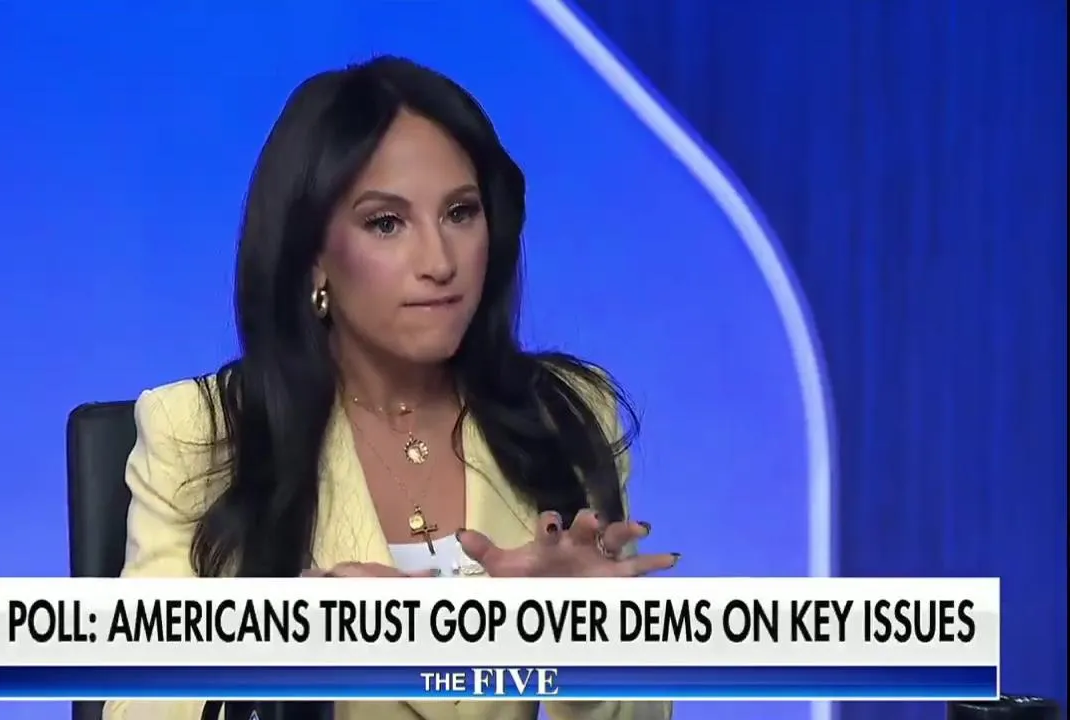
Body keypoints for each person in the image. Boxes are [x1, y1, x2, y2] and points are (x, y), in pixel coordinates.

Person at [103, 56, 677, 720]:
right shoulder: (199, 433)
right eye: (386, 223)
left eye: (460, 213)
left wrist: (581, 644)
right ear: (313, 256)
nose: (440, 262)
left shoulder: (565, 412)